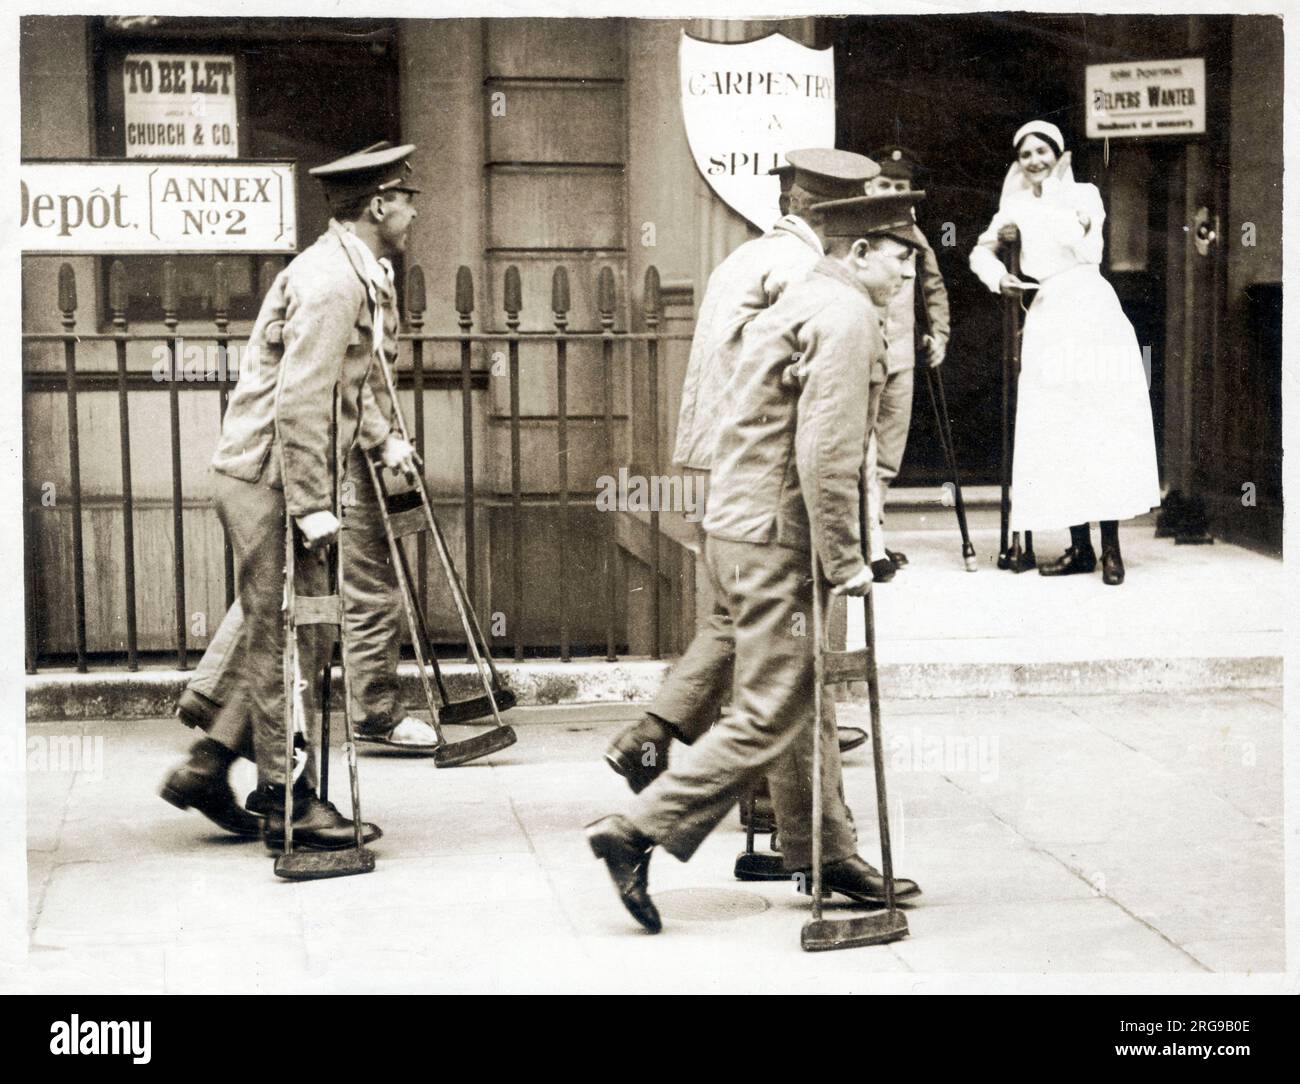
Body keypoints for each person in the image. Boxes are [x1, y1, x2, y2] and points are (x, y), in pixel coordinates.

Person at [586, 192, 927, 934]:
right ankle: (636, 830)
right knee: (771, 710)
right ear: (860, 251)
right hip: (777, 536)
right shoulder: (846, 316)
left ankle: (824, 850)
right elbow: (826, 453)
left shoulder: (804, 300)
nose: (909, 274)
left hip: (738, 528)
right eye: (902, 257)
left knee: (800, 697)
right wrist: (848, 559)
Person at [167, 142, 423, 857]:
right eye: (407, 198)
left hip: (278, 475)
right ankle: (289, 801)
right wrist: (314, 506)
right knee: (289, 638)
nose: (412, 209)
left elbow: (351, 380)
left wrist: (381, 439)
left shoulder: (349, 270)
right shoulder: (334, 282)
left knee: (295, 633)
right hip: (272, 480)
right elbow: (302, 402)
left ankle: (218, 768)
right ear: (378, 206)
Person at [604, 148, 878, 798]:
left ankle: (653, 733)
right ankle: (775, 793)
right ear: (828, 208)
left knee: (732, 623)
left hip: (717, 461)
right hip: (764, 476)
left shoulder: (748, 256)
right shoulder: (803, 269)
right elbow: (809, 387)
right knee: (793, 641)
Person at [970, 121, 1160, 585]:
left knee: (1100, 424)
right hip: (1048, 314)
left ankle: (1111, 550)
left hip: (1092, 310)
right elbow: (979, 251)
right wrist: (1001, 277)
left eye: (1042, 152)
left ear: (1058, 155)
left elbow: (1090, 250)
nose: (1034, 161)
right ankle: (1080, 548)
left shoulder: (1084, 195)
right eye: (1025, 154)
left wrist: (1055, 206)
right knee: (1060, 427)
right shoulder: (1013, 205)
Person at [862, 146, 950, 581]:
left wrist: (940, 334)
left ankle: (874, 536)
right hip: (861, 359)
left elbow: (932, 287)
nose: (892, 192)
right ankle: (863, 542)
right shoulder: (856, 229)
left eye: (900, 186)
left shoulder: (916, 237)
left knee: (887, 459)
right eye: (885, 184)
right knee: (860, 453)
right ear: (869, 186)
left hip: (900, 358)